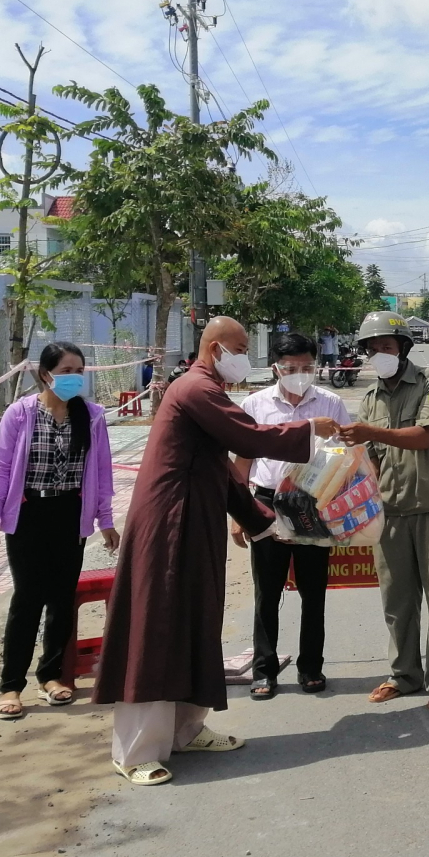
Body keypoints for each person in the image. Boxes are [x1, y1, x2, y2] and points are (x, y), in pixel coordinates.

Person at [94, 317, 339, 786]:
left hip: (194, 523)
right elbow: (249, 439)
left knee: (196, 620)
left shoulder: (208, 391)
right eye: (241, 347)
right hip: (167, 525)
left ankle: (187, 729)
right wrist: (309, 428)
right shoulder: (195, 389)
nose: (245, 355)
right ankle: (136, 750)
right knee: (157, 628)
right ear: (215, 347)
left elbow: (225, 473)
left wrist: (265, 525)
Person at [0, 342, 118, 719]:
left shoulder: (91, 416)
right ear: (46, 374)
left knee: (61, 598)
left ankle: (52, 676)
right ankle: (11, 686)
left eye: (80, 370)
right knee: (27, 598)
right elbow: (2, 471)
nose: (75, 377)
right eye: (67, 370)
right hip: (27, 514)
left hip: (71, 512)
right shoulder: (20, 414)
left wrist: (105, 520)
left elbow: (102, 471)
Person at [337, 310, 429, 709]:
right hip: (389, 511)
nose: (380, 354)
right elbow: (370, 454)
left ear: (404, 348)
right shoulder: (371, 400)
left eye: (387, 347)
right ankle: (404, 674)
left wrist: (370, 433)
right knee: (397, 600)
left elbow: (427, 437)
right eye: (372, 349)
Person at [230, 331, 352, 700]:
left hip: (315, 502)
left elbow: (348, 454)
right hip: (267, 503)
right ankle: (264, 671)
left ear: (316, 367)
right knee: (266, 591)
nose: (299, 373)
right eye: (291, 367)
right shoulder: (255, 405)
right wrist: (238, 513)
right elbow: (244, 460)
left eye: (306, 367)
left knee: (314, 592)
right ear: (275, 369)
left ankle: (311, 667)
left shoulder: (330, 403)